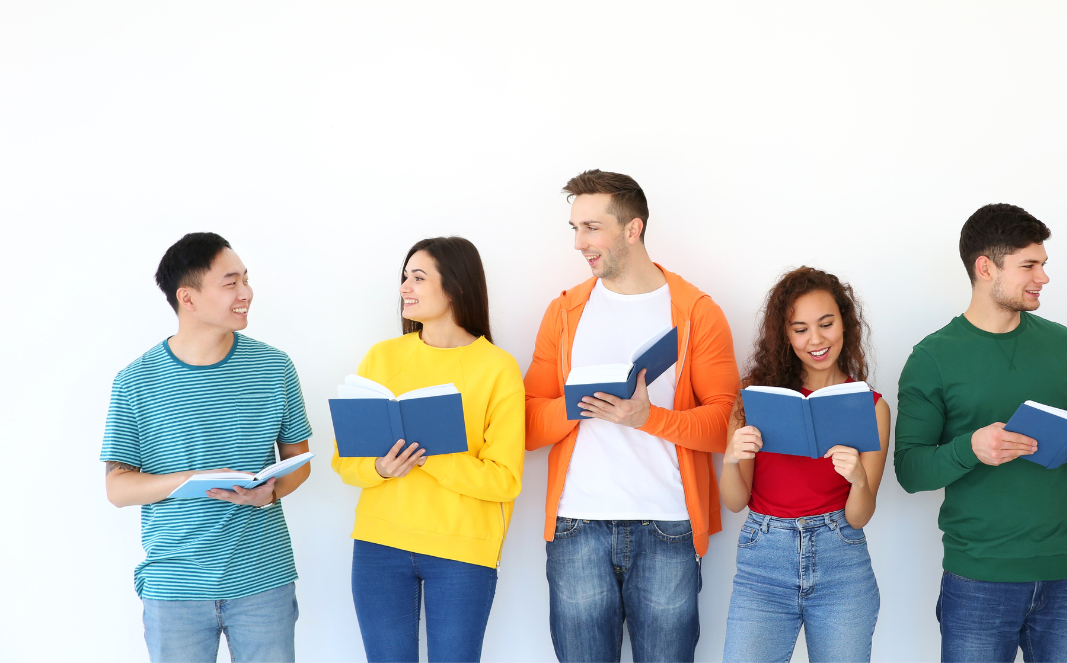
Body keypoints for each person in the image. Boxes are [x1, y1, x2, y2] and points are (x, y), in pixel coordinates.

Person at [894, 204, 1067, 663]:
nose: (1043, 277)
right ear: (985, 268)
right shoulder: (932, 358)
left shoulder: (1062, 344)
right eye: (1029, 265)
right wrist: (971, 448)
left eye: (1043, 264)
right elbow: (910, 471)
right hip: (978, 581)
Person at [523, 169, 740, 663]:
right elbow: (530, 426)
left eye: (592, 228)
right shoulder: (563, 313)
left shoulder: (697, 313)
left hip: (669, 527)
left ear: (632, 229)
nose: (579, 243)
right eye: (574, 228)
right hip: (577, 526)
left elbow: (723, 428)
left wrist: (647, 417)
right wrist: (581, 405)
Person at [101, 232, 313, 663]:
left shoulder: (274, 368)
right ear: (188, 298)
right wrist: (189, 480)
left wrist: (270, 491)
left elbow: (299, 463)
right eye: (230, 282)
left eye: (246, 280)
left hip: (263, 581)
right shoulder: (135, 381)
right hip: (174, 587)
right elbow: (118, 489)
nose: (247, 293)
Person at [332, 237, 525, 663]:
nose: (405, 287)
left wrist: (432, 453)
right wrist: (381, 468)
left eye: (418, 278)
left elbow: (505, 479)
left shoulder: (497, 367)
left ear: (454, 286)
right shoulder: (382, 357)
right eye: (404, 277)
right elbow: (344, 459)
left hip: (462, 550)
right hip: (379, 544)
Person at [719, 267, 891, 663]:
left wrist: (859, 481)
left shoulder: (873, 407)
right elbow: (734, 501)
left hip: (842, 565)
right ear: (785, 335)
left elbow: (860, 516)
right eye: (800, 329)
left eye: (826, 324)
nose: (816, 339)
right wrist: (732, 459)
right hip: (763, 564)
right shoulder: (753, 401)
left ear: (844, 324)